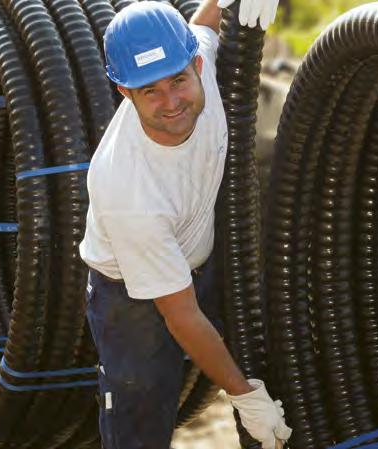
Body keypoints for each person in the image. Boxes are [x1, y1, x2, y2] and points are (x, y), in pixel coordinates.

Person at [78, 1, 291, 448]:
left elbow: (205, 23)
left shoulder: (202, 64)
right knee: (142, 417)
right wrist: (244, 397)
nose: (172, 102)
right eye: (150, 92)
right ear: (123, 91)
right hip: (130, 298)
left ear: (196, 63)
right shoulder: (125, 186)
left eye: (178, 80)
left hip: (201, 253)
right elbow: (181, 314)